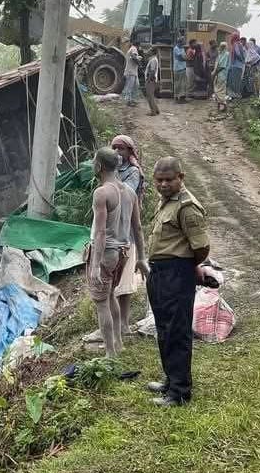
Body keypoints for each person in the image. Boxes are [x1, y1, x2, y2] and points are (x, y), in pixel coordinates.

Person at [143, 156, 210, 407]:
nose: (163, 184)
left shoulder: (187, 207)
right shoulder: (166, 202)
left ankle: (180, 392)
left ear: (181, 178)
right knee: (164, 328)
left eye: (169, 180)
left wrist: (189, 267)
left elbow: (201, 247)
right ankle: (170, 380)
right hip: (159, 272)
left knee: (177, 331)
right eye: (159, 180)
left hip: (176, 273)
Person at [85, 136, 146, 345]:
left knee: (102, 302)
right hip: (124, 251)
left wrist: (94, 266)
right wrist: (142, 258)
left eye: (94, 162)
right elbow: (137, 227)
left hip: (107, 253)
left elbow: (100, 232)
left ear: (99, 165)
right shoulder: (129, 192)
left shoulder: (101, 193)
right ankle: (118, 342)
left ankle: (110, 352)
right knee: (111, 295)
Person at [142, 49, 161, 115]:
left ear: (153, 52)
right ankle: (156, 110)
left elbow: (152, 71)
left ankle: (153, 112)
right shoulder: (154, 59)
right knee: (151, 96)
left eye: (150, 51)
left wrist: (149, 79)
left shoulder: (153, 60)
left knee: (150, 96)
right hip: (152, 80)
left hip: (151, 80)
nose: (148, 52)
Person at [227, 34, 246, 99]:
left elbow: (238, 53)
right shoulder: (239, 44)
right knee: (237, 81)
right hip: (239, 66)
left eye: (232, 37)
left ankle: (235, 96)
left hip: (236, 66)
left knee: (235, 82)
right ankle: (236, 95)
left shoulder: (236, 44)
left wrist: (241, 59)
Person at [212, 43, 229, 113]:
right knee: (217, 89)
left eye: (221, 46)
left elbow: (222, 66)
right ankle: (219, 106)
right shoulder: (220, 54)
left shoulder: (226, 54)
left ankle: (224, 105)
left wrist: (214, 72)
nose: (220, 47)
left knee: (219, 91)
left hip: (222, 75)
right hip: (218, 75)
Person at [172, 37, 189, 103]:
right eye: (183, 41)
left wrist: (185, 58)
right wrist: (186, 58)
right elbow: (181, 57)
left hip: (182, 67)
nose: (184, 43)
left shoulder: (181, 48)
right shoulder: (176, 48)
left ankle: (180, 97)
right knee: (179, 84)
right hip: (178, 68)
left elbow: (185, 56)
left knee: (182, 83)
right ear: (180, 42)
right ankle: (179, 98)